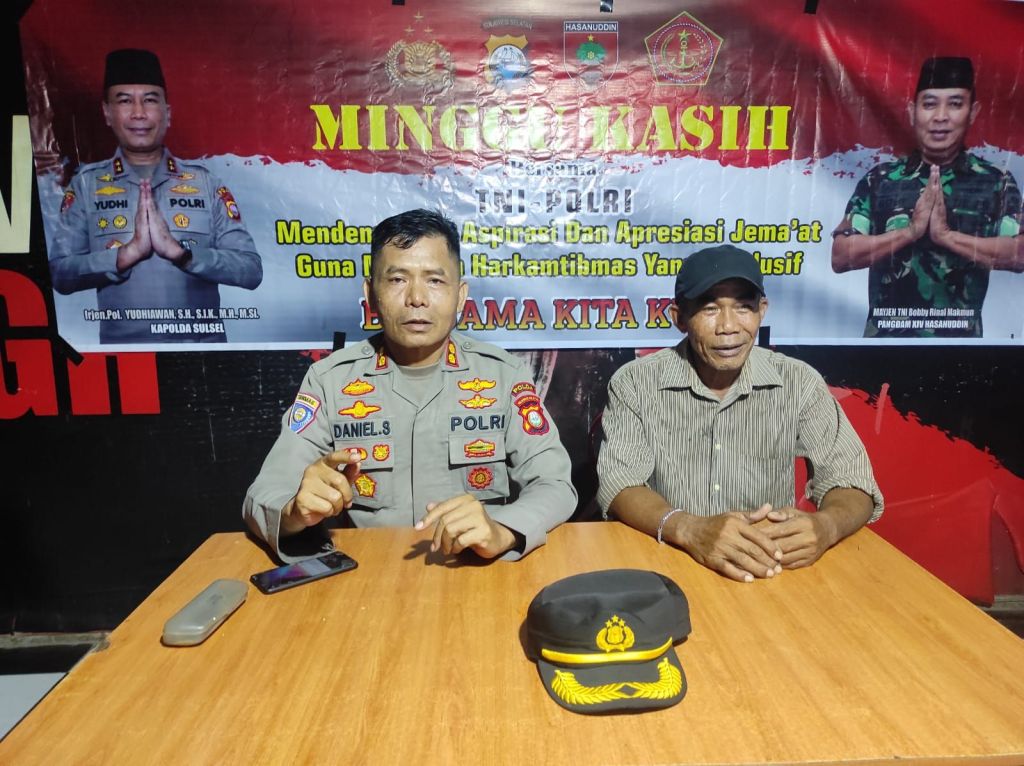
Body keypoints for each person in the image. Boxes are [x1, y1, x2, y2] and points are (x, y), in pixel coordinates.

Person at [244, 209, 576, 562]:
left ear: (460, 295)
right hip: (369, 573)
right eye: (398, 279)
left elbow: (555, 485)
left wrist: (503, 529)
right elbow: (263, 495)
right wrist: (294, 512)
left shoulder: (504, 376)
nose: (417, 297)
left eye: (435, 281)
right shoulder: (329, 381)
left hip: (473, 570)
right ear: (371, 293)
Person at [597, 244, 883, 583]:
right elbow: (620, 484)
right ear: (679, 318)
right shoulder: (635, 383)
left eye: (744, 307)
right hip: (669, 563)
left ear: (762, 310)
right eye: (710, 309)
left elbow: (853, 481)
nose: (729, 326)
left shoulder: (798, 381)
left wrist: (826, 526)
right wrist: (689, 529)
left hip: (765, 567)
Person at [48, 49, 262, 344]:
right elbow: (60, 274)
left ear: (167, 113)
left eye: (149, 99)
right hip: (125, 359)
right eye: (125, 100)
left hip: (202, 357)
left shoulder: (206, 183)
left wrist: (182, 255)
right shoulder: (86, 186)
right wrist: (125, 256)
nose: (139, 112)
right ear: (107, 113)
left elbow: (250, 271)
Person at [831, 56, 1023, 338]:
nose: (940, 117)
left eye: (955, 104)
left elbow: (1019, 254)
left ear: (972, 112)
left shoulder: (995, 182)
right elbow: (841, 256)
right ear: (912, 112)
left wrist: (947, 237)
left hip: (963, 349)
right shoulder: (881, 180)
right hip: (885, 346)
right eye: (930, 104)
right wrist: (910, 232)